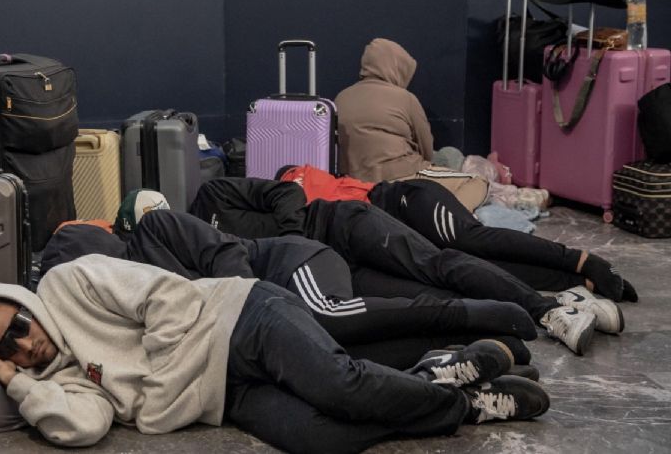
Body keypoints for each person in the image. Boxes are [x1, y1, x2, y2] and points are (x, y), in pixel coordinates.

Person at [0, 255, 550, 453]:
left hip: (240, 318)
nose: (25, 343)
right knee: (320, 439)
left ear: (25, 302)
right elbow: (86, 427)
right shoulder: (58, 382)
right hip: (224, 395)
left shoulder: (67, 283)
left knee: (340, 386)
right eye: (7, 349)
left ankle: (457, 380)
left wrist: (160, 390)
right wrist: (16, 383)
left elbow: (169, 298)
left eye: (19, 325)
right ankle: (457, 396)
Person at [42, 207, 538, 374]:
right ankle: (485, 347)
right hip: (263, 308)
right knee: (340, 354)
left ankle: (469, 312)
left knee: (327, 315)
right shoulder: (128, 299)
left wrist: (254, 304)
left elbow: (225, 254)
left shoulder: (156, 229)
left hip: (288, 265)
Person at [188, 177, 609, 356]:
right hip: (332, 272)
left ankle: (548, 310)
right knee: (427, 300)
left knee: (436, 264)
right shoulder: (192, 261)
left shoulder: (212, 195)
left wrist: (294, 239)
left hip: (339, 225)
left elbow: (287, 194)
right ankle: (514, 326)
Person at [277, 164, 636, 306]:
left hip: (402, 200)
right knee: (470, 264)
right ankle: (579, 281)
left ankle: (583, 260)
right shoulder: (291, 195)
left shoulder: (291, 185)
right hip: (393, 227)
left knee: (470, 239)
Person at [333, 38, 488, 211]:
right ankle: (449, 216)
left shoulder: (341, 98)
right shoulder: (405, 98)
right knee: (478, 182)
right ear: (396, 68)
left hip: (356, 183)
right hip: (402, 176)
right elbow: (426, 149)